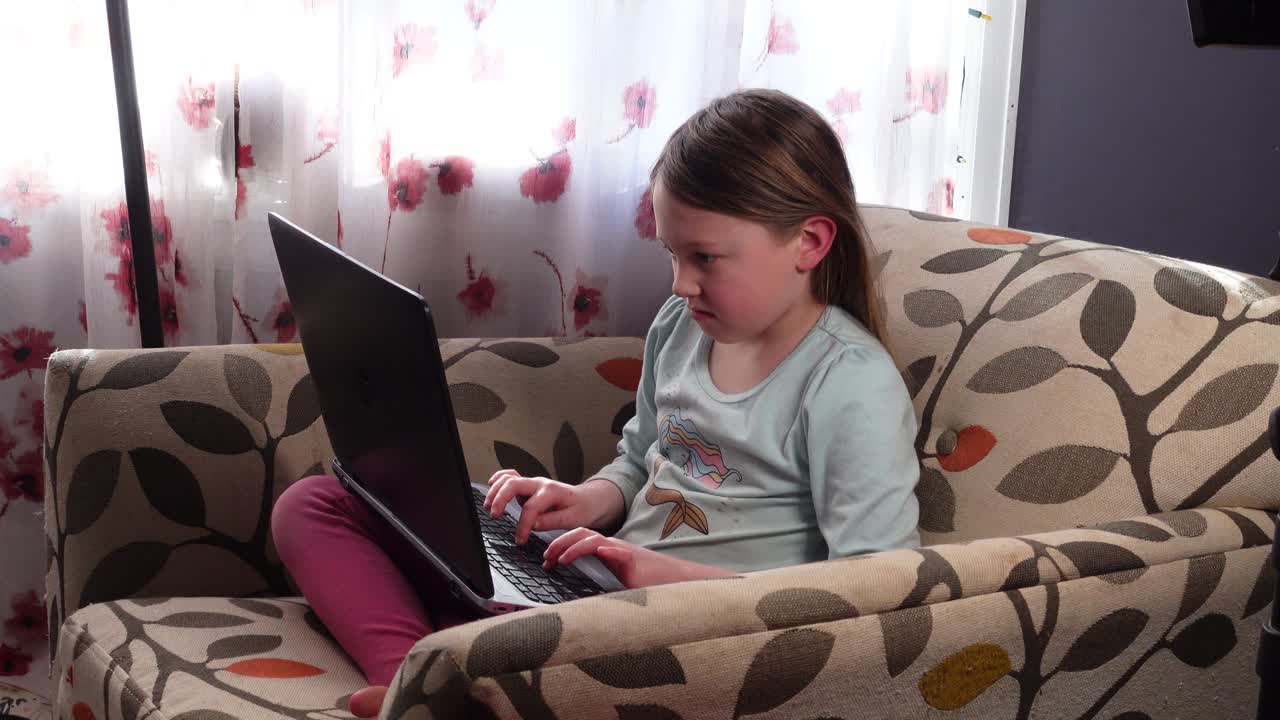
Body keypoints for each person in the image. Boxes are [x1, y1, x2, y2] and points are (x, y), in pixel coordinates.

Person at [271, 88, 921, 717]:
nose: (681, 283)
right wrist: (584, 499)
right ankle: (419, 682)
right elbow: (639, 462)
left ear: (810, 243)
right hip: (597, 595)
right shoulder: (681, 326)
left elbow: (875, 588)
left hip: (698, 632)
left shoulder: (848, 382)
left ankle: (434, 677)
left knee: (491, 619)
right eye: (672, 253)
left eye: (705, 258)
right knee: (317, 502)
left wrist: (661, 575)